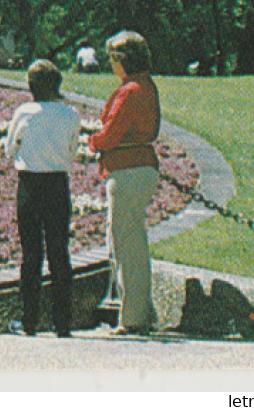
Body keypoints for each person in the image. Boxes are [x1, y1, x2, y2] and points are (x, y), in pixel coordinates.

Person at [88, 29, 162, 335]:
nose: (110, 64)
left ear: (123, 60)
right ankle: (141, 310)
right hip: (139, 167)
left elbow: (110, 134)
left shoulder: (130, 91)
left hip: (127, 171)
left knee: (125, 244)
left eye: (113, 58)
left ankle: (134, 318)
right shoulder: (145, 86)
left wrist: (92, 141)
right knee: (132, 242)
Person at [3, 59, 82, 337]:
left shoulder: (25, 112)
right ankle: (63, 322)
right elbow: (72, 149)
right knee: (59, 252)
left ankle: (29, 320)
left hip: (30, 183)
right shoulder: (71, 115)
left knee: (31, 254)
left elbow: (10, 148)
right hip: (57, 183)